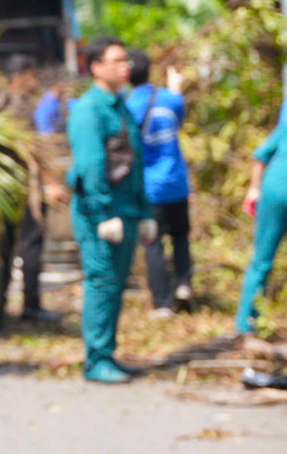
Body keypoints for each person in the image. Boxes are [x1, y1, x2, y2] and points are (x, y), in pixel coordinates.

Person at [66, 37, 156, 384]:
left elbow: (134, 163)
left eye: (126, 61)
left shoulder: (120, 106)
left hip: (128, 209)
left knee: (116, 285)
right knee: (102, 283)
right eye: (117, 61)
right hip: (100, 214)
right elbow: (91, 166)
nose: (125, 67)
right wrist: (103, 215)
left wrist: (145, 211)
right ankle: (96, 359)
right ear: (96, 67)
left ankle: (108, 352)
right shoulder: (89, 110)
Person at [0, 54, 68, 323]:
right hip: (23, 189)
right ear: (19, 77)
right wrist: (50, 182)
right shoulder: (20, 105)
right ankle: (31, 307)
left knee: (3, 249)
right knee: (30, 246)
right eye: (32, 75)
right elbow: (31, 149)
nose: (35, 81)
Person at [125, 51, 193, 317]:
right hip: (177, 183)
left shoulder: (128, 107)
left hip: (149, 189)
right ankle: (184, 284)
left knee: (152, 244)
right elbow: (179, 110)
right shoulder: (168, 99)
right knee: (180, 237)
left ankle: (163, 303)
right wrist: (175, 84)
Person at [235, 115, 287, 334]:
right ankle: (246, 323)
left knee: (261, 261)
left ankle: (244, 323)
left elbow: (260, 155)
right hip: (277, 193)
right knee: (262, 260)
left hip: (273, 191)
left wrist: (254, 189)